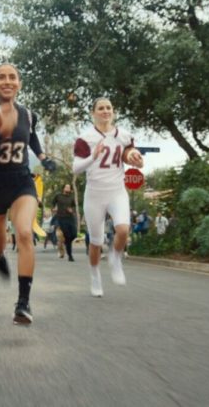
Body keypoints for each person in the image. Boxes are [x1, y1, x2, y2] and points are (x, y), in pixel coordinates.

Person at [0, 62, 57, 325]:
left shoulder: (28, 114)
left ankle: (23, 302)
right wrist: (0, 132)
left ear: (19, 83)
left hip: (21, 182)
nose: (7, 81)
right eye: (1, 77)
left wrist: (43, 157)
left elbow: (31, 138)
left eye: (12, 77)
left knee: (24, 233)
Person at [72, 97, 143, 297]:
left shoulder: (124, 135)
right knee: (96, 241)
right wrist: (93, 156)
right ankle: (95, 276)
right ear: (93, 113)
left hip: (117, 190)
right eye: (101, 108)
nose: (105, 111)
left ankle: (116, 257)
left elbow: (129, 152)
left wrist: (135, 158)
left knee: (123, 229)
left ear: (113, 111)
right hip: (94, 193)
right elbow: (76, 168)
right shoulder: (85, 139)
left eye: (108, 107)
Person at [52, 184, 77, 261]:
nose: (68, 188)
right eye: (66, 187)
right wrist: (54, 208)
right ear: (63, 188)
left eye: (69, 187)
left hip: (70, 218)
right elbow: (53, 203)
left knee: (74, 234)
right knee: (67, 236)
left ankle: (67, 243)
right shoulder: (58, 196)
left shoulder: (71, 197)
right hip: (61, 218)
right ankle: (70, 255)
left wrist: (72, 210)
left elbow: (74, 206)